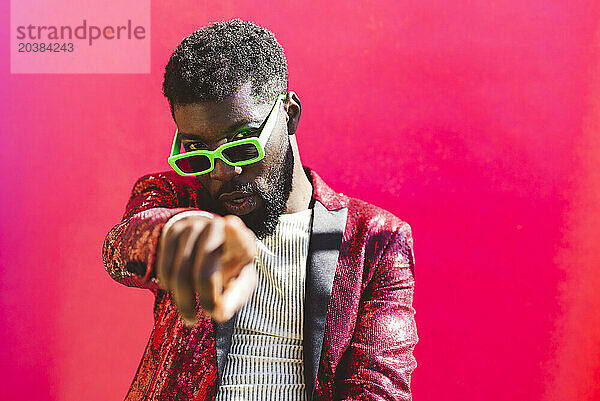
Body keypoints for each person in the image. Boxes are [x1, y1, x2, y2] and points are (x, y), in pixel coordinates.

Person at [102, 19, 418, 401]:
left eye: (241, 145)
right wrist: (178, 233)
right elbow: (123, 249)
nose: (222, 173)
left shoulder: (376, 238)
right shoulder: (175, 196)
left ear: (290, 114)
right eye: (198, 152)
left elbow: (378, 385)